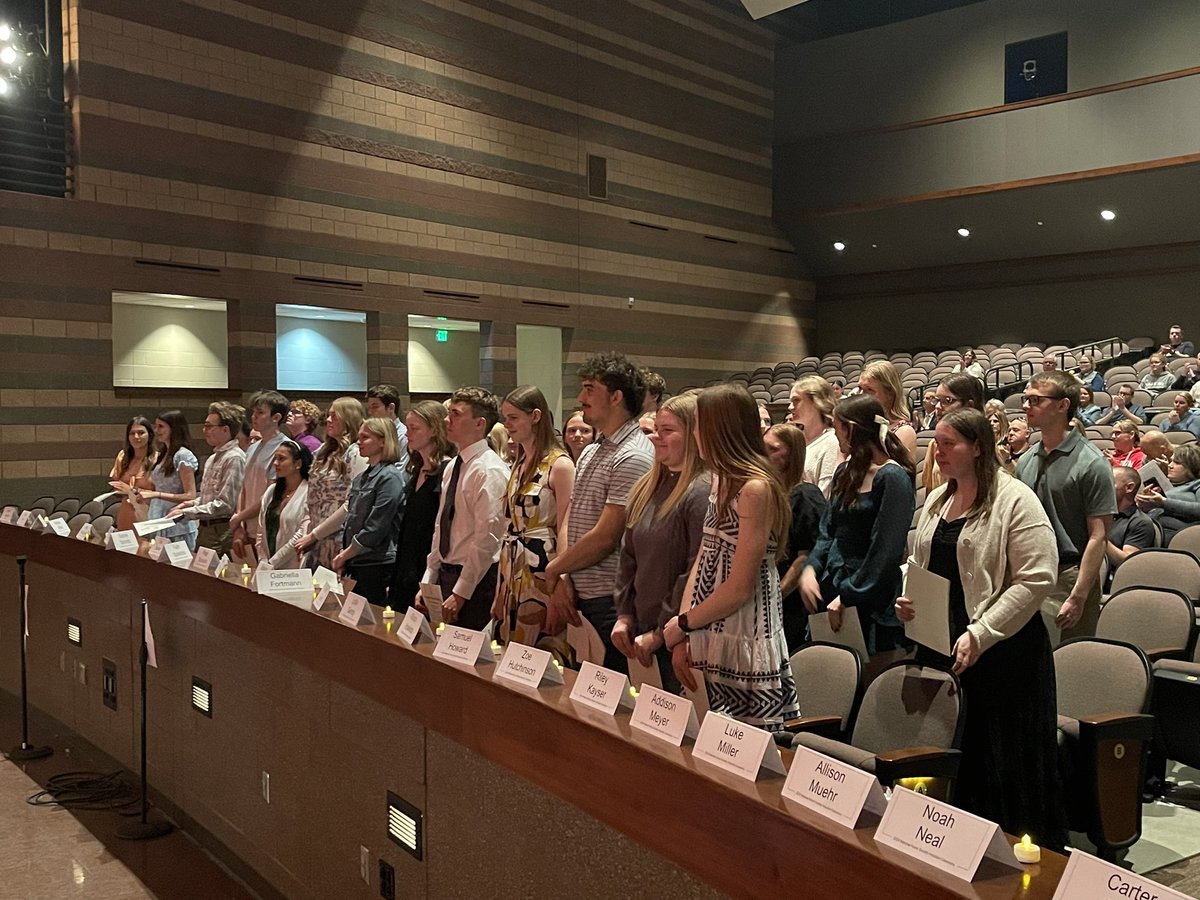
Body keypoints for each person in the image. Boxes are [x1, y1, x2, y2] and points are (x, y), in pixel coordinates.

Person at [896, 409, 1065, 850]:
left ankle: (1010, 854)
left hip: (1004, 651)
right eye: (937, 441)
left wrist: (983, 631)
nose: (939, 451)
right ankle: (950, 846)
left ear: (978, 447)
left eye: (950, 443)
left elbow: (1038, 578)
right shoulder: (937, 499)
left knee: (1000, 757)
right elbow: (919, 561)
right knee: (955, 751)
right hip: (943, 643)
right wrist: (907, 595)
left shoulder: (1016, 500)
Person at [662, 384, 799, 732]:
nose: (694, 434)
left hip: (744, 634)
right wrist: (685, 625)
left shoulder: (755, 488)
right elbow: (705, 559)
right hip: (709, 627)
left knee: (742, 751)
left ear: (718, 429)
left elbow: (739, 587)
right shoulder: (720, 479)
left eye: (697, 425)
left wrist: (684, 624)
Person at [542, 352, 655, 675]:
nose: (581, 398)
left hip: (610, 599)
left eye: (590, 389)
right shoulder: (593, 449)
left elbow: (607, 536)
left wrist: (554, 569)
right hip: (580, 591)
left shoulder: (633, 455)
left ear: (616, 397)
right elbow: (572, 519)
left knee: (611, 704)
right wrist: (564, 576)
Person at [800, 395, 916, 654]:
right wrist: (811, 569)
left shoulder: (892, 477)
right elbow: (827, 531)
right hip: (835, 586)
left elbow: (885, 551)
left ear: (851, 428)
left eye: (837, 426)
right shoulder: (845, 471)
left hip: (869, 594)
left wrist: (850, 596)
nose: (835, 434)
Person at [612, 393, 710, 691]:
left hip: (676, 639)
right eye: (656, 429)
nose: (655, 437)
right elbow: (628, 557)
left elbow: (694, 570)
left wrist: (661, 631)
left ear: (693, 435)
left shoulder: (701, 493)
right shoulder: (647, 486)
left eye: (667, 431)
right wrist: (625, 614)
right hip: (641, 633)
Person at [1016, 371, 1114, 639]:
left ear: (1063, 405)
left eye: (1035, 400)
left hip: (1069, 575)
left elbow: (1099, 535)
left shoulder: (1092, 463)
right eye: (1026, 399)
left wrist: (1079, 596)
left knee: (1065, 662)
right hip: (1029, 571)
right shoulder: (1026, 459)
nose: (1026, 406)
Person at [491, 386, 575, 660]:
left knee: (542, 652)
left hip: (542, 569)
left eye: (514, 418)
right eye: (506, 418)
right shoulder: (520, 462)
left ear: (535, 416)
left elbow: (566, 527)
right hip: (511, 567)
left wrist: (560, 584)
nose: (507, 425)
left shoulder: (560, 465)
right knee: (510, 653)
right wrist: (499, 592)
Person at [421, 387, 509, 628]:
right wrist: (430, 577)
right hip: (447, 573)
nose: (447, 420)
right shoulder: (452, 466)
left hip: (475, 579)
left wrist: (461, 592)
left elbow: (487, 539)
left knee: (468, 658)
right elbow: (441, 526)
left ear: (480, 423)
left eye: (456, 414)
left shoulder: (490, 470)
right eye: (448, 413)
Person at [327, 418, 406, 606]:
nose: (358, 442)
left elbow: (376, 527)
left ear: (383, 441)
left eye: (365, 437)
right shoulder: (361, 478)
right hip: (356, 561)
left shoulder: (390, 477)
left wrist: (344, 555)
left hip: (377, 563)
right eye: (359, 437)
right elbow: (350, 521)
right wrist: (344, 554)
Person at [765, 423, 826, 652]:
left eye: (772, 449)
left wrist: (775, 597)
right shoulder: (768, 494)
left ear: (791, 454)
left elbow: (805, 556)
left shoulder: (805, 496)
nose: (764, 455)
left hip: (792, 606)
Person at [388, 401, 454, 611]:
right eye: (407, 428)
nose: (408, 434)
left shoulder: (446, 469)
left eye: (414, 428)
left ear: (434, 430)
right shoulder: (417, 470)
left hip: (427, 558)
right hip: (407, 557)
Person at [293, 397, 367, 570]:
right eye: (328, 415)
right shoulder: (322, 452)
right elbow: (310, 497)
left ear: (348, 418)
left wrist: (315, 535)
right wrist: (307, 532)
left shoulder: (356, 453)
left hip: (337, 538)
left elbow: (352, 503)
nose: (327, 420)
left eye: (334, 416)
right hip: (315, 538)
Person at [171, 402, 246, 554]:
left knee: (218, 576)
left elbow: (225, 504)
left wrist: (187, 513)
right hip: (206, 529)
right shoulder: (213, 458)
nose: (204, 430)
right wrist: (188, 504)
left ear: (225, 429)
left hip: (221, 531)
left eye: (209, 426)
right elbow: (209, 497)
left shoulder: (234, 458)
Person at [230, 390, 289, 564]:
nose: (254, 417)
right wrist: (240, 525)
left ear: (276, 417)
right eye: (253, 412)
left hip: (268, 529)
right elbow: (244, 488)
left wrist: (240, 517)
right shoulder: (253, 447)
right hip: (247, 527)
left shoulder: (284, 447)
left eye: (260, 413)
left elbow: (271, 494)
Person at [921, 373, 986, 492]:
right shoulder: (935, 445)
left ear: (970, 406)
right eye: (937, 400)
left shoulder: (992, 446)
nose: (938, 407)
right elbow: (930, 492)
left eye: (947, 400)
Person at [144, 411, 199, 550]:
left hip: (176, 524)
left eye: (161, 426)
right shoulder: (164, 453)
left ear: (173, 428)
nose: (156, 431)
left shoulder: (183, 455)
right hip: (158, 519)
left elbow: (190, 495)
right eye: (155, 427)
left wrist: (157, 495)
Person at [255, 440, 312, 568]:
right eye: (275, 458)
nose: (275, 463)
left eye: (281, 459)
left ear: (298, 464)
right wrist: (263, 560)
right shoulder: (271, 491)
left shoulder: (309, 493)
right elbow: (260, 531)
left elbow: (300, 534)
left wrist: (273, 562)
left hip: (292, 566)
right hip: (266, 565)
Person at [1136, 443, 1200, 545]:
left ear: (1192, 466)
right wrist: (1145, 505)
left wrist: (1164, 502)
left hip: (1176, 538)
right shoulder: (1166, 485)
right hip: (1145, 530)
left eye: (1177, 462)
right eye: (1171, 461)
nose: (1170, 466)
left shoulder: (1197, 484)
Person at [1106, 467, 1156, 592]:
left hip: (1114, 582)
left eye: (1109, 482)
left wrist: (1099, 538)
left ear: (1129, 488)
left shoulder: (1141, 522)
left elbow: (1127, 561)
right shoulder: (1102, 515)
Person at [787, 375, 839, 495]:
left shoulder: (831, 443)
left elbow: (824, 495)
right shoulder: (798, 441)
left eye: (796, 400)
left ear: (816, 402)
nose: (790, 407)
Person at [857, 360, 917, 459]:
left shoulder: (904, 431)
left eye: (869, 390)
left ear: (890, 393)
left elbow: (894, 472)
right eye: (860, 388)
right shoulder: (860, 426)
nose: (861, 395)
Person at [108, 416, 157, 532]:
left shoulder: (158, 459)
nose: (136, 437)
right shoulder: (123, 457)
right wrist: (117, 489)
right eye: (132, 433)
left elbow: (161, 493)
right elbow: (116, 483)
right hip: (126, 511)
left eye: (141, 433)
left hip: (148, 512)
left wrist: (131, 491)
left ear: (149, 435)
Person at [365, 383, 410, 470]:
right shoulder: (372, 434)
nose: (370, 412)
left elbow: (402, 471)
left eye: (375, 407)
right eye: (369, 408)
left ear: (391, 408)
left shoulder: (404, 436)